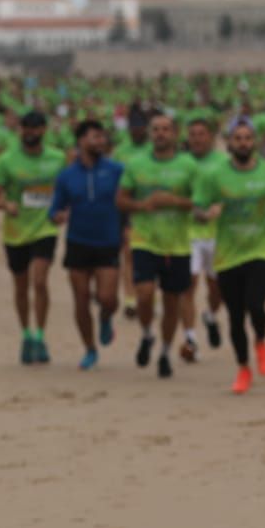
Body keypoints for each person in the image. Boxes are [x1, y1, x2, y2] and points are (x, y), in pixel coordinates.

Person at [194, 120, 265, 395]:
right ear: (229, 143)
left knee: (256, 304)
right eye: (238, 138)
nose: (243, 143)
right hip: (228, 254)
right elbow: (198, 208)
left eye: (247, 138)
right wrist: (207, 214)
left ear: (255, 142)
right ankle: (243, 367)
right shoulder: (215, 175)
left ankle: (261, 340)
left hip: (261, 248)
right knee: (235, 315)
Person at [115, 113, 199, 379]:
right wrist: (143, 205)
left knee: (172, 303)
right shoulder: (136, 164)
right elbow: (121, 200)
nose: (160, 133)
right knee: (144, 293)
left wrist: (175, 201)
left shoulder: (188, 165)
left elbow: (201, 201)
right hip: (144, 240)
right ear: (150, 134)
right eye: (156, 129)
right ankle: (147, 333)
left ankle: (164, 351)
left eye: (165, 129)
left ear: (174, 134)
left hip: (177, 244)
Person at [0, 111, 67, 365]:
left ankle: (41, 335)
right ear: (20, 130)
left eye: (35, 128)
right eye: (26, 128)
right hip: (16, 232)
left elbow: (67, 189)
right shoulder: (6, 160)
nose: (30, 132)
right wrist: (5, 205)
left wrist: (65, 210)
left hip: (45, 228)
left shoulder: (57, 158)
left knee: (40, 281)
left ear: (44, 130)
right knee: (21, 286)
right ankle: (26, 334)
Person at [49, 120, 125, 370]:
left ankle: (105, 317)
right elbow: (54, 208)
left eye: (102, 137)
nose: (100, 141)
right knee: (81, 299)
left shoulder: (116, 170)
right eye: (95, 137)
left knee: (108, 298)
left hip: (108, 241)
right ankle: (90, 348)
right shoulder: (67, 175)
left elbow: (128, 199)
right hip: (78, 242)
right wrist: (58, 216)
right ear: (81, 141)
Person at [183, 116, 228, 356]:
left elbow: (233, 190)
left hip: (217, 233)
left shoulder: (223, 162)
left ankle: (210, 315)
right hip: (187, 233)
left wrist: (220, 207)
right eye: (193, 134)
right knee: (188, 284)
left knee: (217, 287)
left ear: (211, 137)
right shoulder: (180, 163)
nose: (197, 139)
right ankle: (189, 338)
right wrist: (192, 209)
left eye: (201, 134)